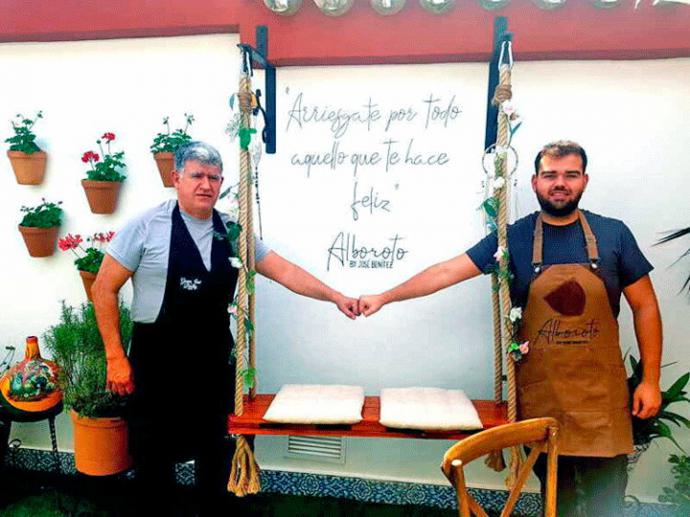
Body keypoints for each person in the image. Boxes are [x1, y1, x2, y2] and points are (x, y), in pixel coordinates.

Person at [359, 140, 662, 516]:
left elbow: (645, 306)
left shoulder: (614, 234)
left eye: (570, 175)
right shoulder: (512, 238)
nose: (560, 183)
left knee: (606, 501)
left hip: (602, 400)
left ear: (584, 181)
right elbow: (447, 271)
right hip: (542, 396)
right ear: (535, 182)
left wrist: (650, 380)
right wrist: (385, 296)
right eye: (550, 175)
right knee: (558, 498)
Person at [91, 141, 359, 516]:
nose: (206, 184)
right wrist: (115, 357)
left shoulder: (233, 230)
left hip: (213, 357)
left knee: (216, 452)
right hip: (157, 360)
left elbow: (285, 271)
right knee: (153, 458)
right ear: (176, 178)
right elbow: (103, 288)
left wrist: (335, 296)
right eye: (197, 175)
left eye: (214, 178)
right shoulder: (145, 227)